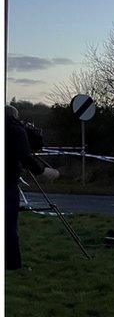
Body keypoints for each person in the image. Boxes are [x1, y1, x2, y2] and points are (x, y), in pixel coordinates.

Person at [6, 105, 59, 270]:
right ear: (15, 116)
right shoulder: (16, 130)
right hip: (7, 182)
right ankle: (12, 265)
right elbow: (25, 156)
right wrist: (43, 171)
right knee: (8, 226)